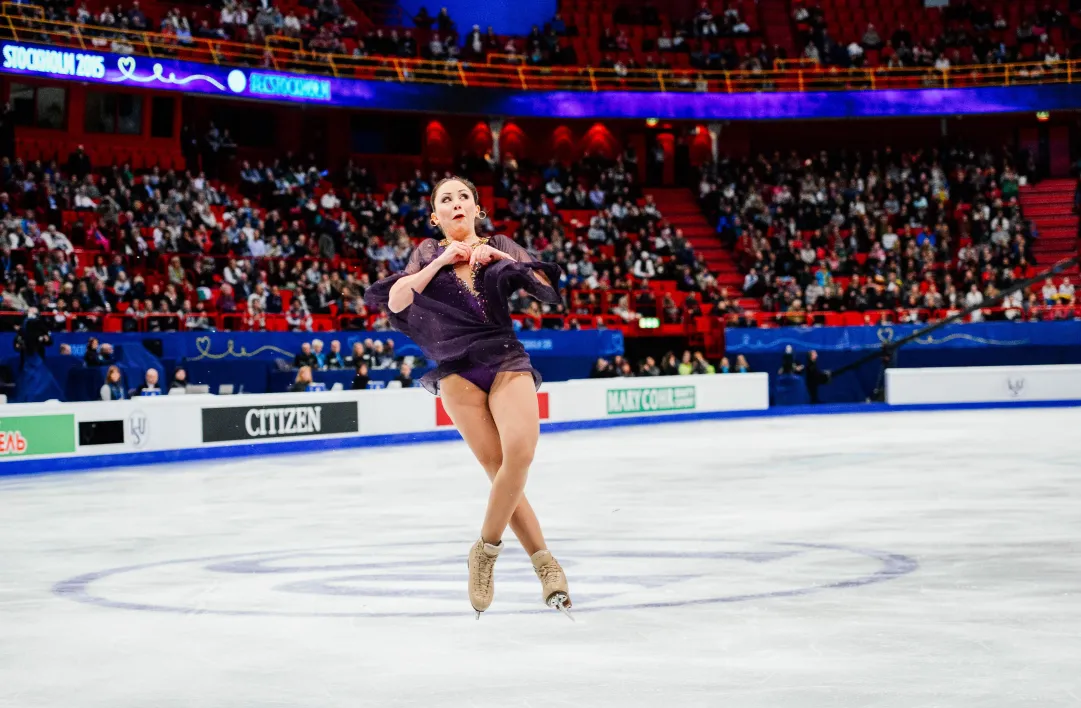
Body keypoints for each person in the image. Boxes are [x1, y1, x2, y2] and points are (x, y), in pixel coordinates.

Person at [364, 176, 571, 618]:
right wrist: (439, 263)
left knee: (519, 456)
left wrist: (497, 256)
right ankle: (545, 564)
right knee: (498, 469)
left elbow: (548, 291)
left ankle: (484, 551)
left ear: (477, 209)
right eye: (446, 199)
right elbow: (397, 301)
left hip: (504, 357)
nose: (456, 203)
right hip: (456, 369)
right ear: (435, 216)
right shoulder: (425, 252)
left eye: (464, 197)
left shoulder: (500, 244)